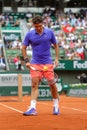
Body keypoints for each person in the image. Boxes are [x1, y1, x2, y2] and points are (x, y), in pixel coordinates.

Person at [21, 15, 60, 116]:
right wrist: (26, 61)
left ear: (42, 24)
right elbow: (23, 48)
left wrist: (56, 58)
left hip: (48, 63)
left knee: (52, 85)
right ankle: (33, 108)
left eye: (39, 26)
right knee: (34, 85)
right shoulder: (29, 34)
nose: (37, 28)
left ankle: (56, 106)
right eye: (36, 26)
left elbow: (56, 45)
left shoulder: (50, 32)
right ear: (33, 25)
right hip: (35, 63)